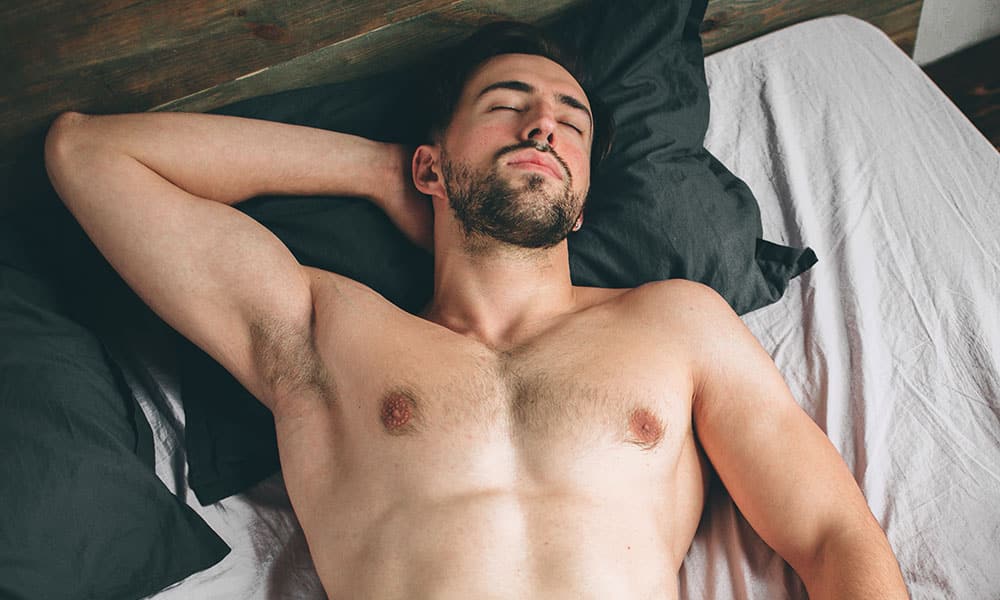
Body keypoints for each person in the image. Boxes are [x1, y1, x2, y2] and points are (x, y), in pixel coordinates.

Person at [43, 22, 908, 600]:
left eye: (571, 123)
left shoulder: (678, 323)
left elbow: (833, 534)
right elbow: (90, 153)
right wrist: (376, 170)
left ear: (582, 197)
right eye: (506, 109)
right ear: (430, 166)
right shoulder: (330, 331)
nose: (543, 129)